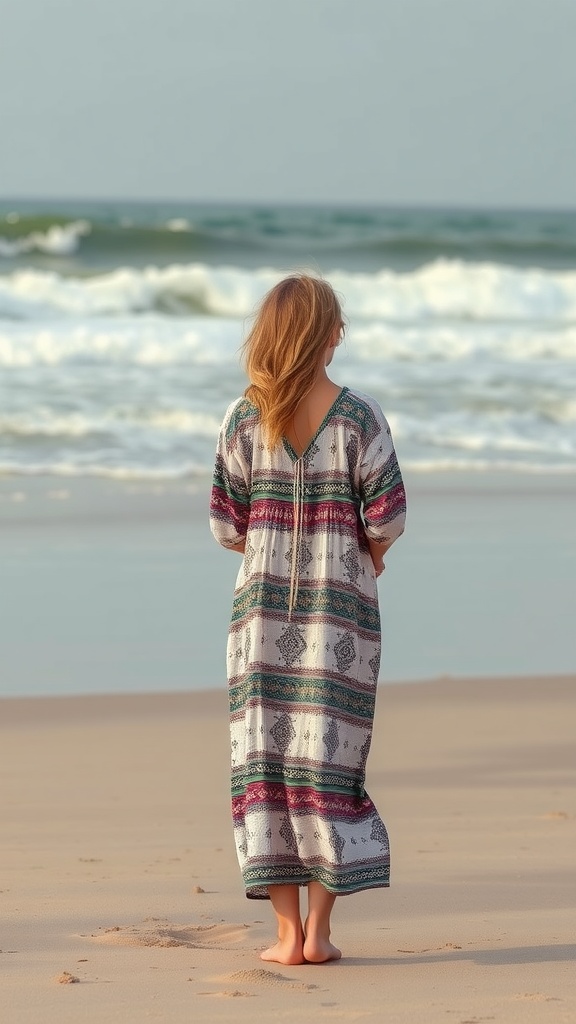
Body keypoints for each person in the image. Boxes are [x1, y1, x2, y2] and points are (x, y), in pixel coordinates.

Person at [210, 274, 406, 965]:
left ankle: (285, 936)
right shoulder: (359, 417)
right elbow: (388, 515)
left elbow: (224, 523)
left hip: (259, 618)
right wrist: (367, 557)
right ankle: (319, 934)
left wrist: (271, 543)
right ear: (327, 334)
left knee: (265, 764)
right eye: (339, 324)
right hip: (342, 620)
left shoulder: (243, 419)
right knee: (330, 765)